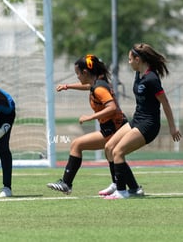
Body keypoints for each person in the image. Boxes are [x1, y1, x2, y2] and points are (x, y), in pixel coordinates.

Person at [47, 54, 137, 196]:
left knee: (79, 145)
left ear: (85, 72)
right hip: (111, 127)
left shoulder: (99, 88)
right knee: (111, 153)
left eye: (77, 73)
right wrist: (67, 86)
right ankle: (132, 187)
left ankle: (66, 183)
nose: (77, 77)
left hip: (115, 128)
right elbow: (88, 86)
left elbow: (112, 107)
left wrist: (90, 117)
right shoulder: (96, 83)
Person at [103, 43, 182, 199]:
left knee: (118, 152)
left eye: (130, 59)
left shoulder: (151, 78)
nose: (129, 62)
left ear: (138, 59)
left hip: (148, 124)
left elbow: (165, 103)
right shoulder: (139, 74)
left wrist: (173, 127)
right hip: (137, 120)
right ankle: (132, 188)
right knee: (109, 147)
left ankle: (122, 191)